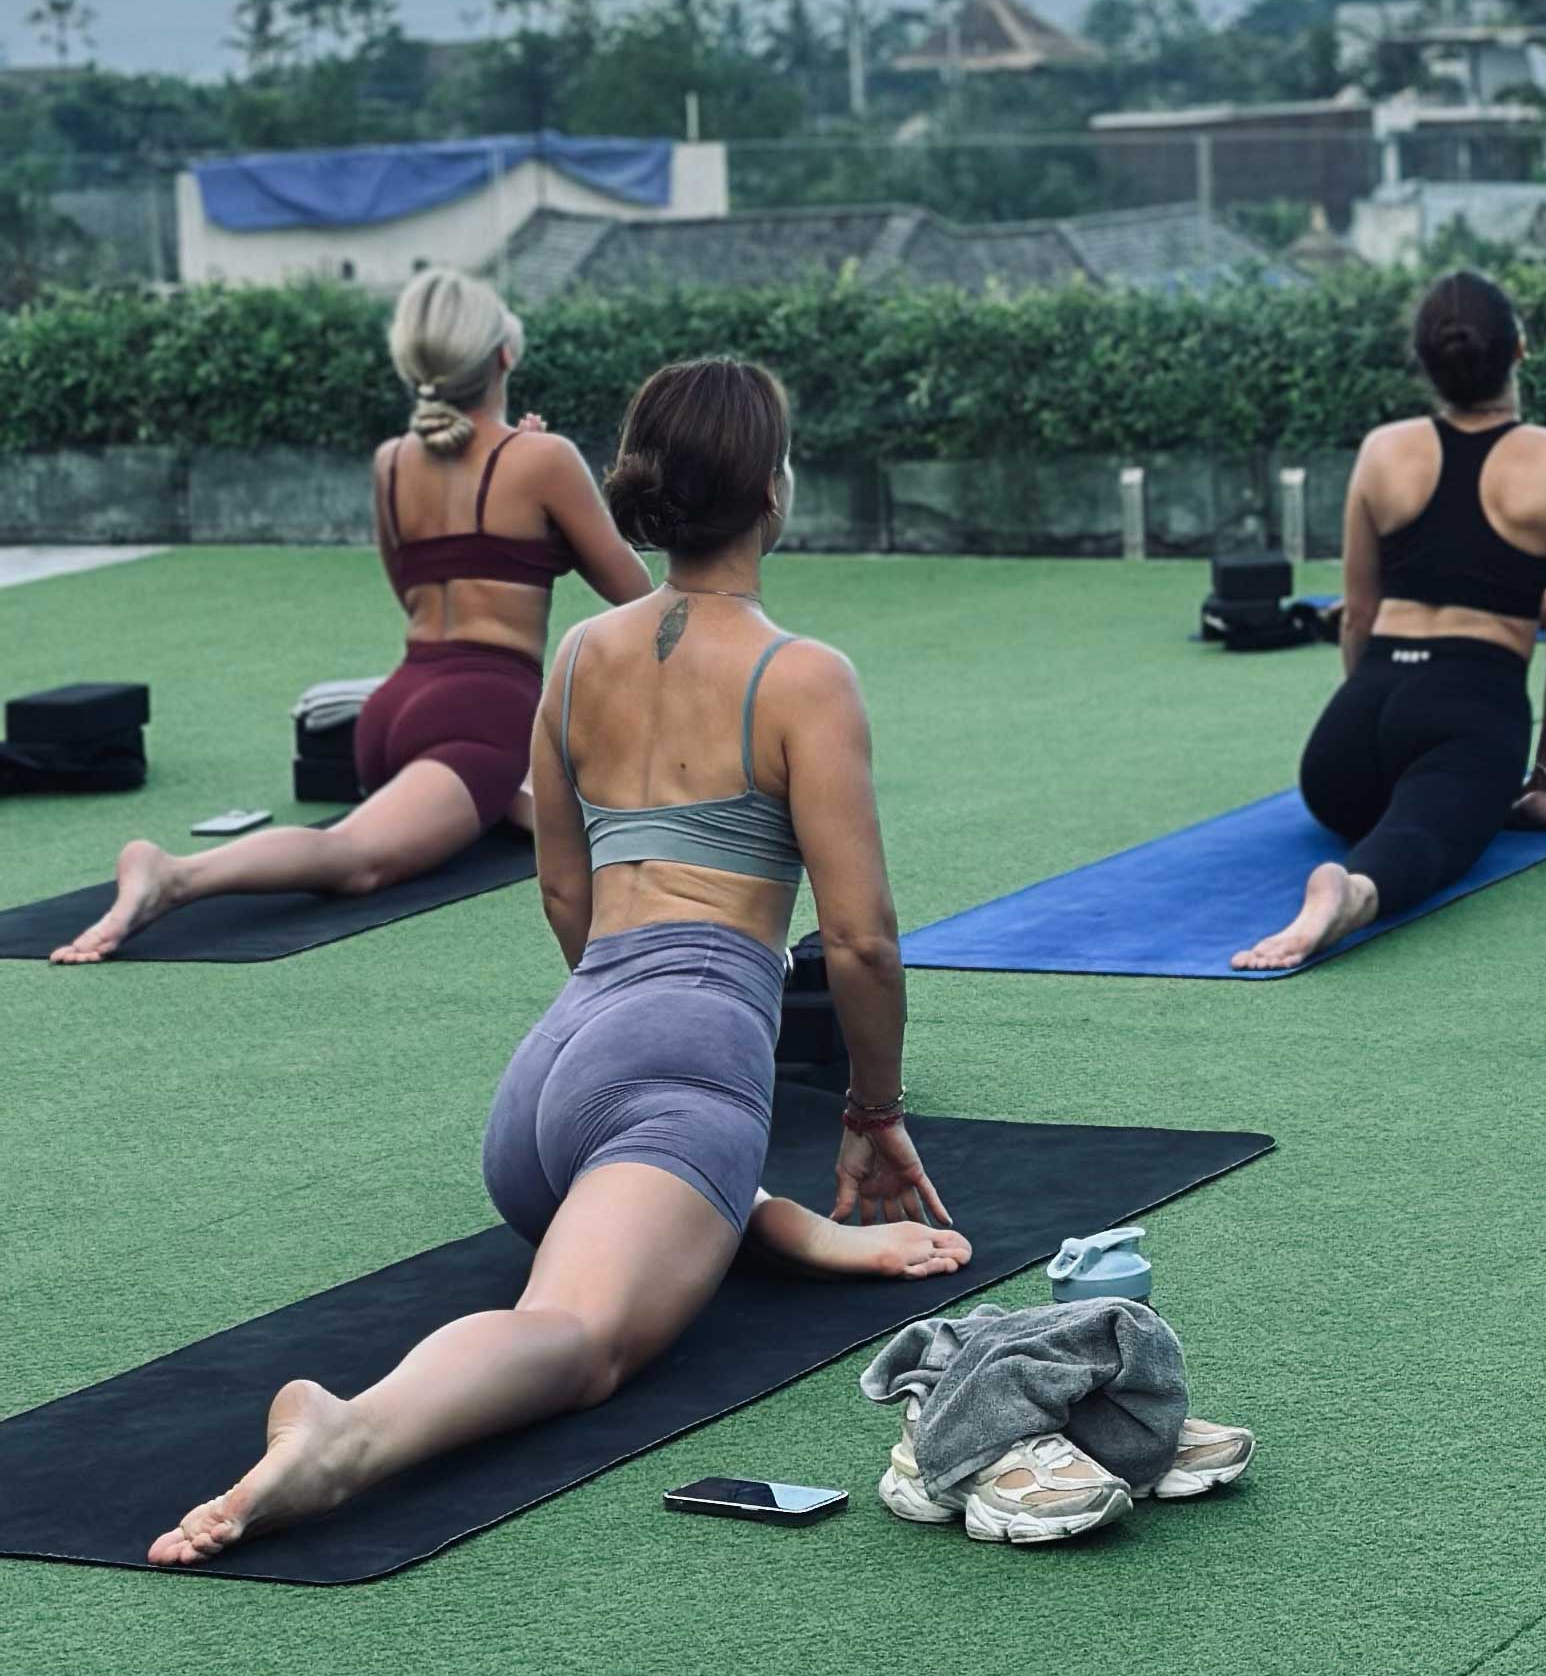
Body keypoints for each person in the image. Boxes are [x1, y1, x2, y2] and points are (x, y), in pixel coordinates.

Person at [149, 356, 968, 1565]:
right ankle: (347, 1432)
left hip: (548, 1079)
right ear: (773, 495)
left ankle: (763, 1219)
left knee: (639, 1194)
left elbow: (563, 888)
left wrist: (624, 1027)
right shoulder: (803, 676)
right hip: (678, 1065)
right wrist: (873, 1108)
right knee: (581, 1341)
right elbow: (859, 940)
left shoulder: (580, 656)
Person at [53, 266, 654, 963]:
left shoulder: (393, 461)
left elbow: (413, 589)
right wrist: (552, 520)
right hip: (481, 722)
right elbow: (635, 592)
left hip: (393, 714)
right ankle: (176, 874)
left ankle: (508, 798)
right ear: (503, 356)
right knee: (354, 857)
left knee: (534, 799)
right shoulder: (545, 459)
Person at [1231, 270, 1546, 972]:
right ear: (1519, 348)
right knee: (1429, 836)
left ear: (1425, 363)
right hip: (1468, 709)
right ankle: (1353, 893)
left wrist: (1372, 706)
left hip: (1342, 751)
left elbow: (1358, 614)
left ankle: (1430, 811)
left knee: (1416, 799)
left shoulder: (1382, 450)